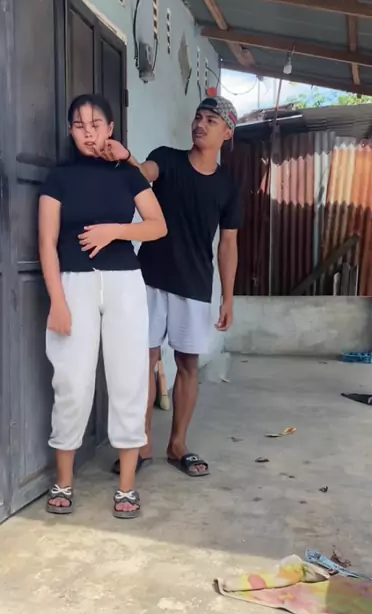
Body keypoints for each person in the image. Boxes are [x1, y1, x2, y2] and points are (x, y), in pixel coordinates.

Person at [38, 93, 167, 519]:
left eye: (96, 124)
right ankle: (63, 480)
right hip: (73, 284)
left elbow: (157, 226)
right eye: (79, 125)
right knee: (71, 382)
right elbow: (46, 243)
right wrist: (57, 301)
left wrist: (114, 231)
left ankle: (127, 486)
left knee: (129, 378)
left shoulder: (128, 176)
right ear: (70, 131)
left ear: (110, 128)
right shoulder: (58, 178)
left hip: (124, 284)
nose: (88, 133)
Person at [105, 95, 241, 478]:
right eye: (198, 117)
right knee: (144, 362)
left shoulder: (228, 187)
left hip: (194, 284)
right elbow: (142, 172)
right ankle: (142, 445)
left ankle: (178, 445)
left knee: (187, 365)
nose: (200, 124)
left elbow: (228, 244)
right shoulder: (165, 158)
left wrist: (227, 297)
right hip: (149, 277)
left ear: (227, 133)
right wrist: (126, 156)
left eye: (211, 120)